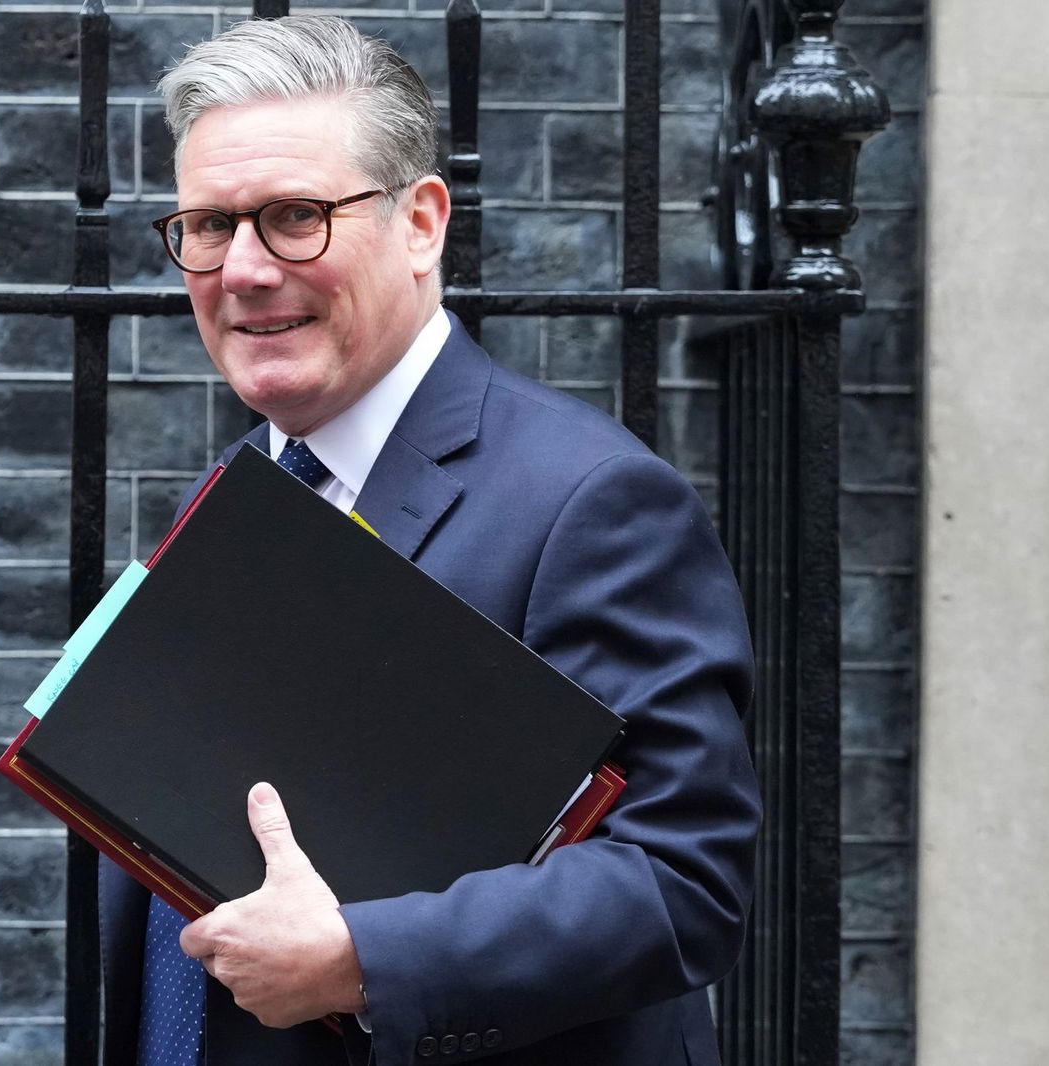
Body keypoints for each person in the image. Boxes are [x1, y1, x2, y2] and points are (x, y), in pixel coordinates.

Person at [99, 15, 761, 1066]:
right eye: (211, 225)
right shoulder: (237, 486)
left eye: (294, 216)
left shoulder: (588, 499)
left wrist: (364, 955)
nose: (244, 269)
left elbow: (680, 881)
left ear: (421, 223)